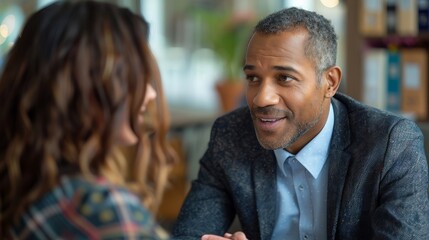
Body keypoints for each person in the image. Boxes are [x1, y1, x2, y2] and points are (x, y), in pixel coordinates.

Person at [172, 7, 429, 240]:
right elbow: (190, 234)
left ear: (330, 82)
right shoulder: (231, 135)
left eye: (284, 78)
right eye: (253, 78)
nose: (262, 98)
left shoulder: (391, 145)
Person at [0, 1, 177, 239]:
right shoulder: (103, 212)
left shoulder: (23, 188)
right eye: (136, 76)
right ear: (89, 88)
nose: (151, 93)